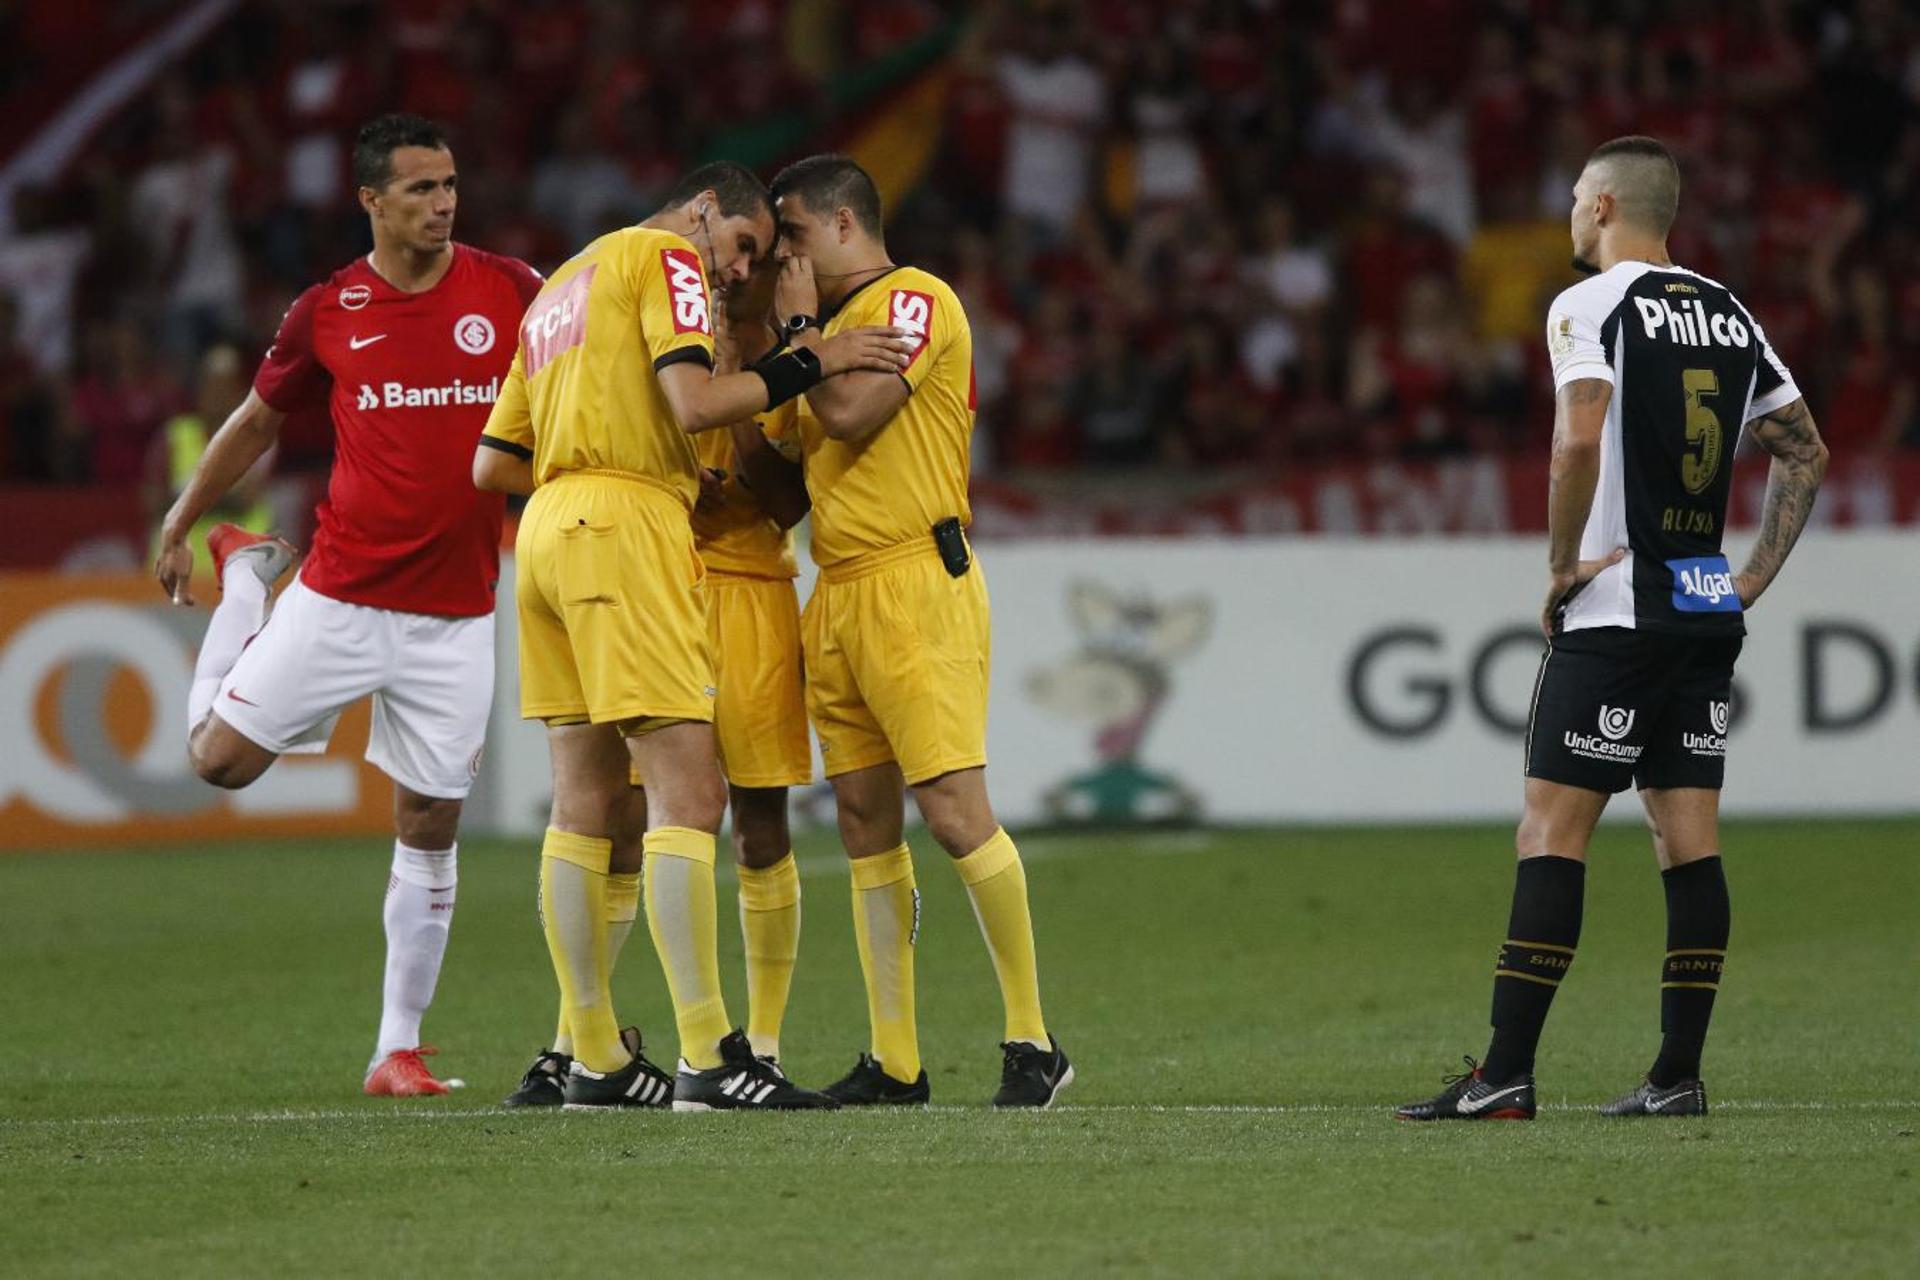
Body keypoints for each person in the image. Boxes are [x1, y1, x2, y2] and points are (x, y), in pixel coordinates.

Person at [1397, 136, 1828, 1122]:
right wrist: (1747, 574)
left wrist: (1558, 566)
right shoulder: (1729, 310)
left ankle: (1505, 1072)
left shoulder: (1588, 305)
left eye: (1573, 199)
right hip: (1703, 610)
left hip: (1617, 608)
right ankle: (1676, 1075)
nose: (1568, 215)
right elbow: (1803, 448)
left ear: (1600, 207)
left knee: (1551, 829)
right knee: (1690, 842)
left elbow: (1580, 434)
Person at [474, 160, 910, 1111]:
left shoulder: (558, 288)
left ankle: (593, 1055)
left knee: (582, 801)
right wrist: (815, 359)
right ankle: (713, 1057)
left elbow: (491, 463)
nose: (733, 269)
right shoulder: (669, 254)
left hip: (545, 530)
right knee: (689, 791)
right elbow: (696, 405)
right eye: (742, 245)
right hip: (625, 526)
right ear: (705, 211)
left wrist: (603, 461)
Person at [153, 114, 544, 1098]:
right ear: (370, 200)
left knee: (429, 823)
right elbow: (256, 418)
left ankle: (396, 1048)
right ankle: (247, 581)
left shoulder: (511, 291)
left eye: (449, 182)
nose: (442, 201)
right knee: (217, 762)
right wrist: (184, 514)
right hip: (338, 595)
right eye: (418, 188)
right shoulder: (328, 309)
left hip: (456, 614)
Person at [767, 154, 1072, 1108]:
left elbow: (854, 412)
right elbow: (780, 478)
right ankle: (894, 1059)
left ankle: (1033, 1040)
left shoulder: (915, 302)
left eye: (796, 239)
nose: (786, 259)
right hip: (840, 584)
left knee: (951, 811)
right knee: (863, 821)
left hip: (915, 576)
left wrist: (798, 339)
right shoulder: (811, 343)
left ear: (846, 228)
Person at [501, 252, 815, 1107]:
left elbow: (787, 500)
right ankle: (599, 1046)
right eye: (729, 251)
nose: (735, 271)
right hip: (639, 562)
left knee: (751, 818)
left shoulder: (759, 345)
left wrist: (749, 385)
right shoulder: (635, 323)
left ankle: (754, 1046)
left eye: (757, 253)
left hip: (741, 590)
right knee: (637, 811)